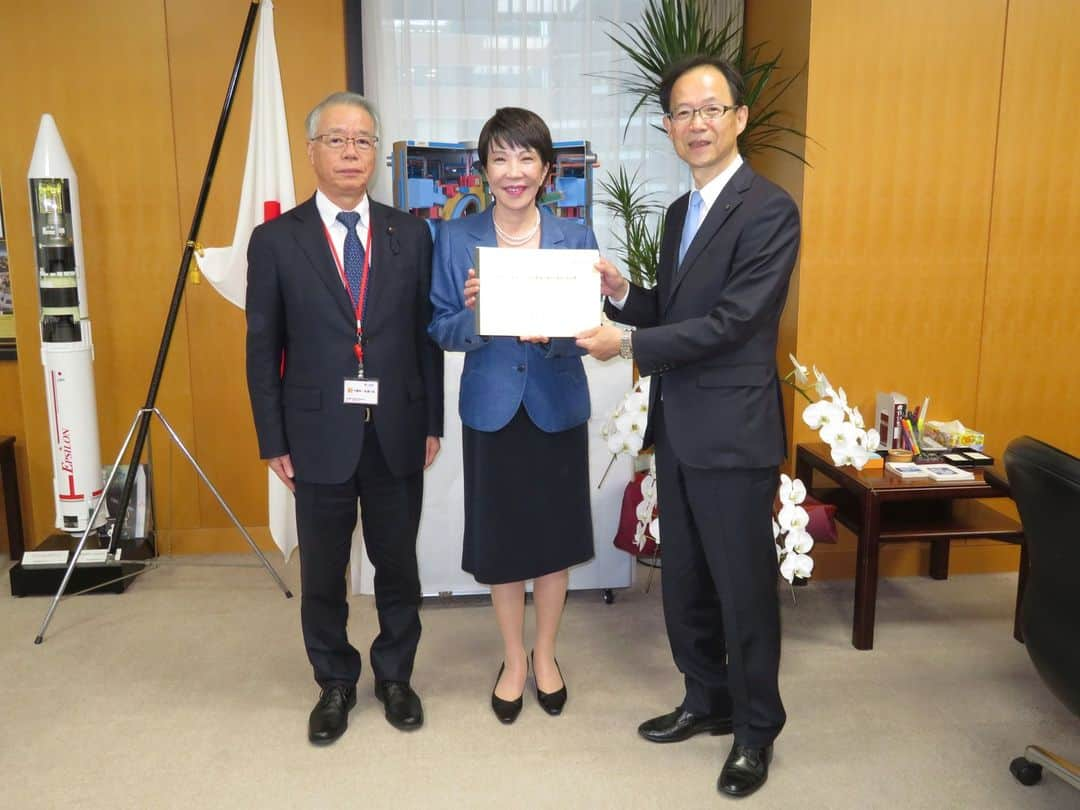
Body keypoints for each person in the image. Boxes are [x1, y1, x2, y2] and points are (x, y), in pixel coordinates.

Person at [577, 56, 800, 798]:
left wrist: (632, 345)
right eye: (681, 112)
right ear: (669, 126)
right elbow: (678, 314)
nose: (696, 123)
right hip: (678, 429)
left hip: (734, 434)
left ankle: (756, 728)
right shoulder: (680, 213)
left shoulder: (769, 209)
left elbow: (736, 324)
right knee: (686, 584)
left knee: (742, 589)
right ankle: (705, 699)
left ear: (738, 117)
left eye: (710, 109)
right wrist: (624, 297)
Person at [245, 91, 443, 745]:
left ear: (375, 152)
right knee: (323, 571)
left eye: (362, 139)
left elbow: (426, 338)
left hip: (395, 431)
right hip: (315, 435)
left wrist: (432, 422)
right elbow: (262, 347)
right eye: (337, 139)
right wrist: (272, 437)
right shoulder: (276, 240)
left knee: (397, 564)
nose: (351, 151)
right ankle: (334, 679)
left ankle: (394, 675)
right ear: (312, 152)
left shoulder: (411, 233)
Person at [428, 107, 595, 724]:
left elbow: (589, 331)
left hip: (555, 404)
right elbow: (440, 327)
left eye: (526, 158)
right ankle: (512, 660)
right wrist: (476, 312)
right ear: (484, 171)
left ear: (547, 171)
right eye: (501, 158)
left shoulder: (575, 239)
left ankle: (546, 654)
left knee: (553, 541)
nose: (514, 171)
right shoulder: (456, 239)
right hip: (492, 407)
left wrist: (551, 331)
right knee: (502, 542)